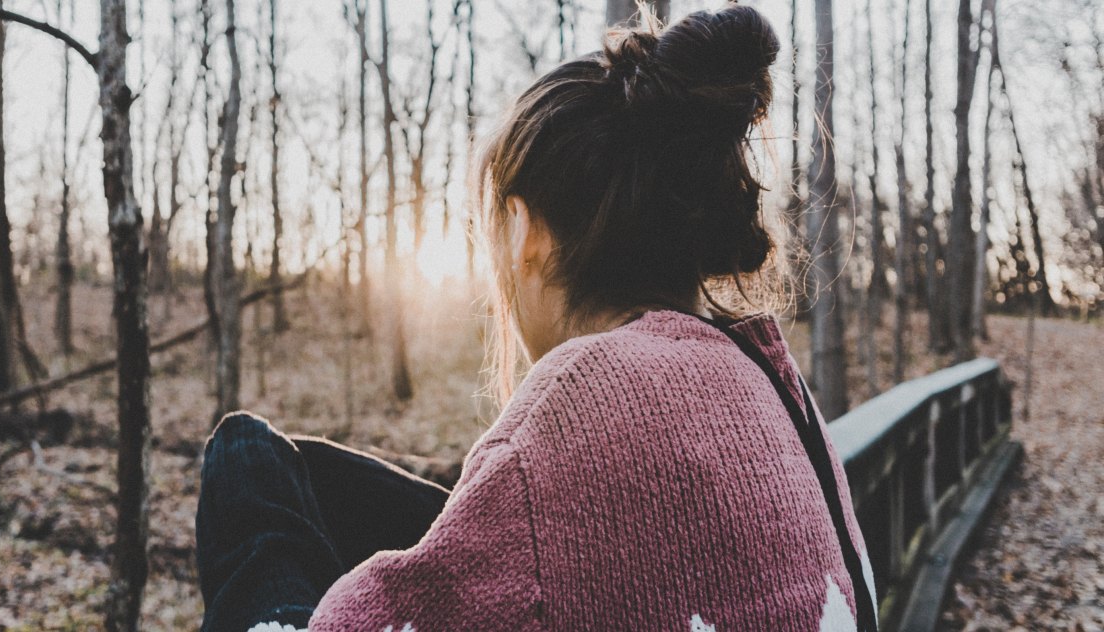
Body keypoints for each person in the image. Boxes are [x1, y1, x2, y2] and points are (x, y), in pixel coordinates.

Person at [196, 4, 879, 630]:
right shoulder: (763, 373)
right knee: (311, 474)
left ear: (524, 232)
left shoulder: (585, 393)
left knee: (245, 459)